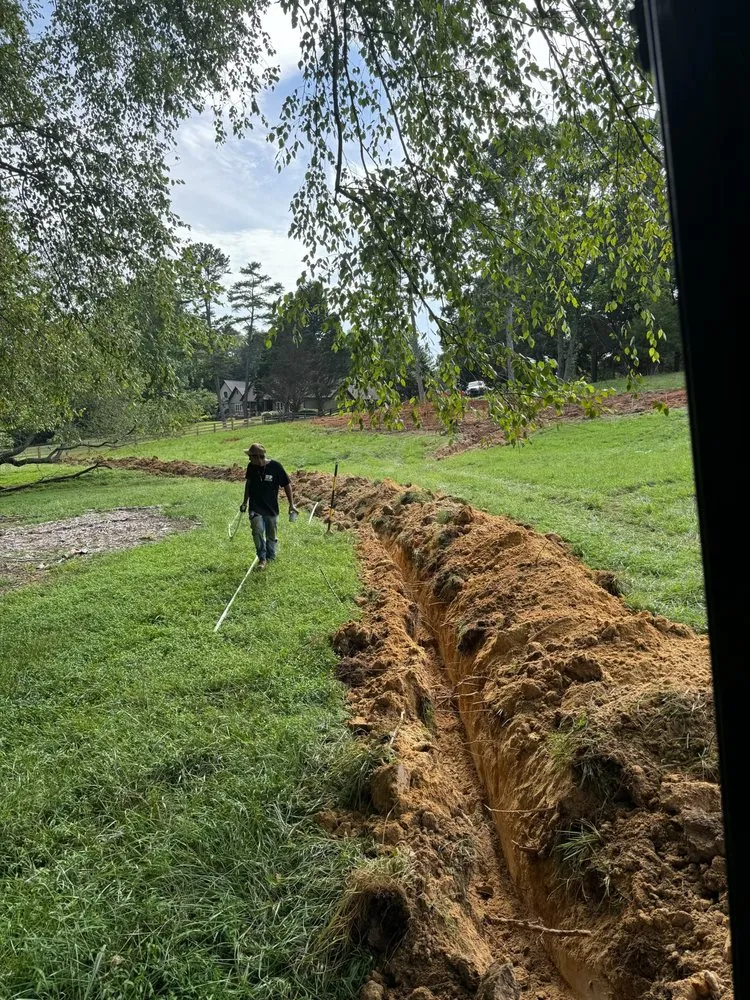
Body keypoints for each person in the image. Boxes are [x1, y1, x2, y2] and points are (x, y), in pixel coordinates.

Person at [239, 443, 298, 569]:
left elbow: (287, 485)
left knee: (271, 534)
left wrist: (291, 505)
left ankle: (271, 556)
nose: (249, 459)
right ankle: (262, 557)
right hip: (255, 507)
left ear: (259, 457)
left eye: (251, 457)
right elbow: (248, 485)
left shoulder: (276, 467)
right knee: (257, 530)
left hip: (271, 508)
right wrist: (245, 502)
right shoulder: (251, 467)